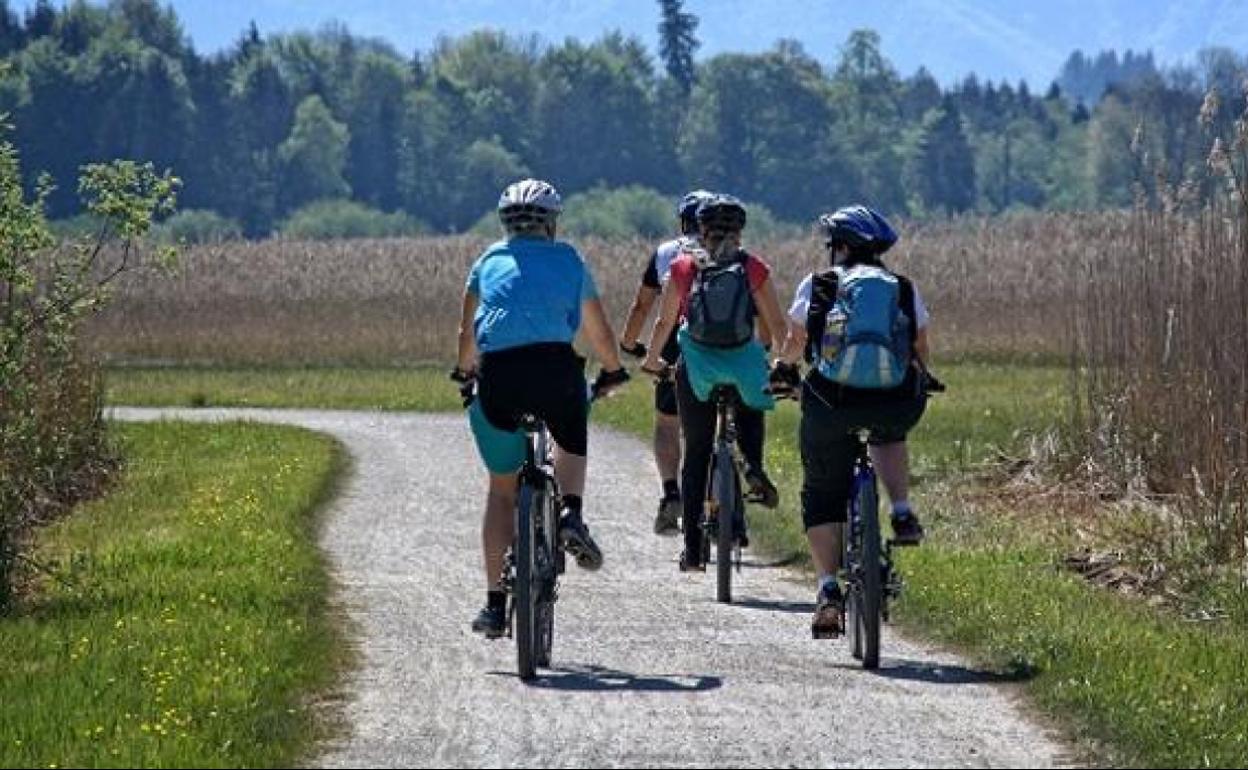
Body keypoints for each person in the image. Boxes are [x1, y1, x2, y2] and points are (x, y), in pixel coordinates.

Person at [454, 178, 629, 638]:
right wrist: (613, 370)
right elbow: (601, 333)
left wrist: (463, 372)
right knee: (572, 429)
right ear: (551, 224)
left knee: (501, 491)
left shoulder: (487, 261)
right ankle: (570, 511)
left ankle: (494, 604)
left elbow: (466, 339)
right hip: (555, 371)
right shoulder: (569, 260)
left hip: (499, 378)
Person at [771, 204, 935, 636]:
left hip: (831, 402)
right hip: (892, 401)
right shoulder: (901, 288)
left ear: (841, 247)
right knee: (889, 432)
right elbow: (920, 346)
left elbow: (796, 338)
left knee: (822, 493)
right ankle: (901, 511)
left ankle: (828, 589)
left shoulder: (821, 283)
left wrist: (783, 369)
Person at [640, 193, 788, 572]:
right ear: (740, 231)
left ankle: (692, 549)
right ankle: (752, 464)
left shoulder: (683, 266)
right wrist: (776, 361)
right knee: (752, 406)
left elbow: (664, 323)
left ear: (699, 230)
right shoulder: (753, 267)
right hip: (742, 362)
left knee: (697, 456)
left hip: (698, 368)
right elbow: (776, 326)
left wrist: (653, 358)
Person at [618, 189, 713, 536]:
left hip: (674, 342)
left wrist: (630, 343)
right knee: (715, 416)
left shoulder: (667, 253)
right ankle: (720, 490)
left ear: (683, 220)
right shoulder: (731, 252)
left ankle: (671, 490)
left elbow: (642, 306)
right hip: (722, 345)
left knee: (668, 422)